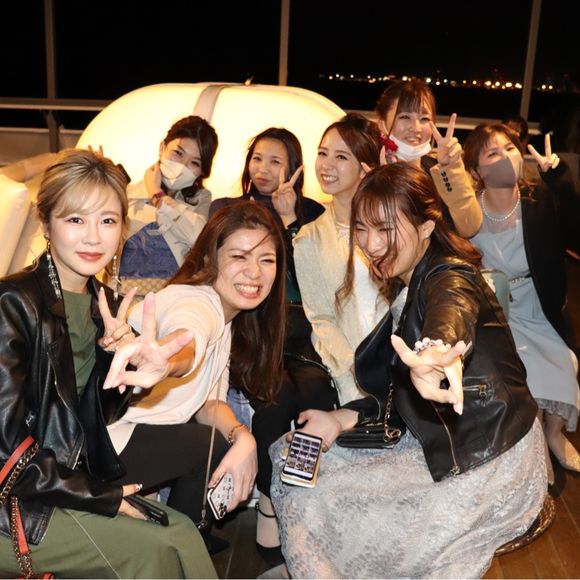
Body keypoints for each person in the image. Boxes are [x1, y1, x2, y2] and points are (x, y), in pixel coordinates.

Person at [270, 163, 546, 579]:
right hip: (441, 437)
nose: (370, 244)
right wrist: (341, 417)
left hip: (488, 458)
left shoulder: (449, 274)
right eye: (361, 229)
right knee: (289, 457)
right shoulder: (407, 282)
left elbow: (450, 312)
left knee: (319, 494)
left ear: (426, 227)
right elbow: (394, 392)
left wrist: (436, 353)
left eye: (385, 229)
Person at [0, 149, 216, 578]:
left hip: (61, 483)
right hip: (17, 500)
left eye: (108, 220)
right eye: (75, 219)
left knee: (181, 531)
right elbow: (5, 451)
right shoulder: (13, 302)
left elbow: (92, 418)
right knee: (157, 550)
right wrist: (100, 496)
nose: (93, 237)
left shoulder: (106, 306)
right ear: (46, 223)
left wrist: (121, 369)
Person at [104, 201, 287, 549]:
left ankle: (185, 536)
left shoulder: (226, 315)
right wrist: (169, 361)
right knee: (207, 446)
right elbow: (189, 338)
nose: (254, 272)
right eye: (239, 257)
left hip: (123, 437)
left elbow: (210, 403)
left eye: (266, 260)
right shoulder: (200, 304)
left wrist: (243, 437)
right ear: (208, 259)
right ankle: (181, 544)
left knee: (216, 439)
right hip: (100, 446)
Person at [209, 127, 336, 566]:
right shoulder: (227, 209)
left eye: (276, 161)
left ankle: (295, 497)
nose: (263, 169)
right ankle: (268, 501)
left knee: (316, 394)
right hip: (254, 328)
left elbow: (312, 277)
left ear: (294, 169)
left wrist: (290, 222)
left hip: (302, 330)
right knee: (275, 399)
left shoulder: (313, 213)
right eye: (257, 158)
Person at [463, 123, 580, 476]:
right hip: (495, 309)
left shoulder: (537, 200)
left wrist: (559, 180)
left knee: (565, 361)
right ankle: (533, 446)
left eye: (510, 148)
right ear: (476, 172)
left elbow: (575, 234)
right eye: (493, 153)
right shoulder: (468, 214)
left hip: (537, 303)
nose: (506, 157)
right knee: (522, 370)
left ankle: (554, 434)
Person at [294, 112, 388, 406]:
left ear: (364, 167)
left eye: (341, 157)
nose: (326, 165)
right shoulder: (310, 238)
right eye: (322, 153)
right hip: (350, 370)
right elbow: (321, 318)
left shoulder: (393, 226)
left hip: (400, 359)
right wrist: (356, 369)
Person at [118, 115, 218, 298]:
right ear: (162, 147)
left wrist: (157, 194)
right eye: (178, 153)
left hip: (175, 300)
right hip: (123, 297)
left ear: (202, 171)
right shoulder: (126, 193)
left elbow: (198, 238)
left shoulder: (201, 200)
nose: (182, 166)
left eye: (194, 163)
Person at [375, 77, 482, 237]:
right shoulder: (370, 170)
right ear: (382, 124)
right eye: (405, 117)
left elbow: (470, 227)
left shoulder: (441, 172)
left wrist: (451, 168)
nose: (416, 128)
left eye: (424, 119)